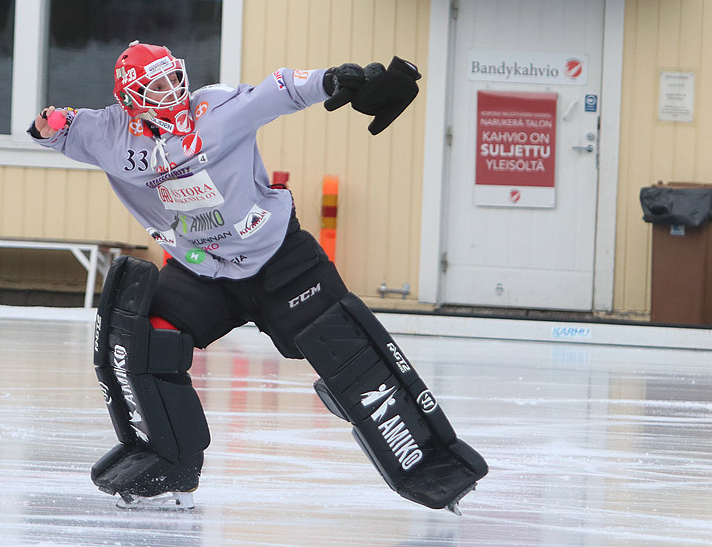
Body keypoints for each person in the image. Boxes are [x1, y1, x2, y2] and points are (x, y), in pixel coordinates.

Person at [28, 41, 487, 512]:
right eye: (156, 85)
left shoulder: (218, 109)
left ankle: (431, 461)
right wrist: (48, 125)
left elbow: (280, 90)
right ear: (129, 97)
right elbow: (57, 129)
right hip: (201, 273)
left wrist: (341, 80)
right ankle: (167, 460)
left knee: (349, 354)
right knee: (144, 340)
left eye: (173, 78)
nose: (172, 91)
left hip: (280, 261)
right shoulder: (108, 133)